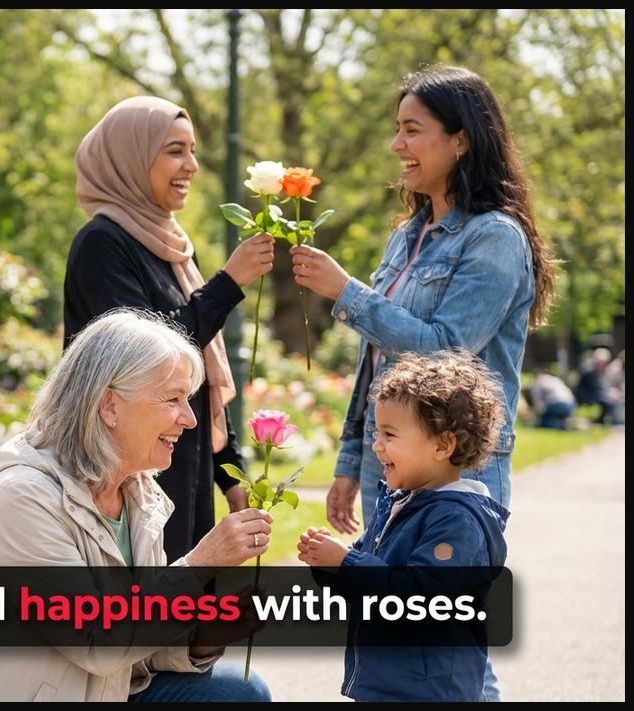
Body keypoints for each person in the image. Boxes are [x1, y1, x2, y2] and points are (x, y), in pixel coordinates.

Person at [0, 309, 273, 702]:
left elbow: (132, 646)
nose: (190, 419)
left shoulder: (138, 495)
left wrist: (205, 638)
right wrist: (199, 565)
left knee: (238, 691)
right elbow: (98, 640)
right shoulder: (22, 497)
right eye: (173, 399)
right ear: (108, 405)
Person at [289, 65, 557, 531]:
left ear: (462, 139)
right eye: (397, 130)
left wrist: (345, 291)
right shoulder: (406, 237)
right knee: (383, 601)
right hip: (388, 461)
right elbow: (375, 358)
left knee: (437, 603)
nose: (397, 146)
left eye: (412, 131)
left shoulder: (494, 238)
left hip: (455, 465)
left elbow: (446, 352)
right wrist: (352, 460)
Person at [64, 96, 276, 562]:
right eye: (175, 151)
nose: (192, 165)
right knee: (142, 614)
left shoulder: (173, 247)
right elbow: (145, 357)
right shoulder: (102, 245)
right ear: (132, 158)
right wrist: (229, 283)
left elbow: (195, 376)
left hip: (185, 457)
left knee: (191, 614)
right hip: (127, 468)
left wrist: (231, 473)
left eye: (193, 150)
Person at [298, 350, 509, 701]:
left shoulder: (457, 520)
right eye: (377, 433)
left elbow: (419, 600)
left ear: (442, 445)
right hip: (388, 686)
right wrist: (330, 565)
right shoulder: (402, 503)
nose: (377, 446)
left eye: (390, 435)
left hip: (428, 691)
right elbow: (369, 578)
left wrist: (345, 563)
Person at [574, 347, 614, 425]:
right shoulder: (589, 372)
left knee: (607, 398)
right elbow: (595, 388)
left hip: (593, 394)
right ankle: (600, 421)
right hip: (585, 396)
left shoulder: (601, 371)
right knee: (605, 401)